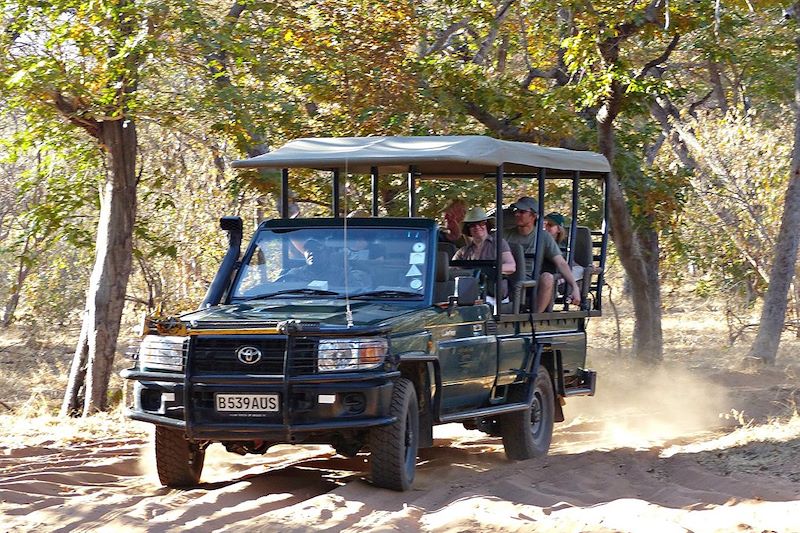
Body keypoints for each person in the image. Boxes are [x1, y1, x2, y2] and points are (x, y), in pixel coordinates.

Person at [503, 197, 580, 312]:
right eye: (516, 211)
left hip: (530, 281)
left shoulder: (543, 237)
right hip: (506, 279)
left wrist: (575, 287)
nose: (517, 214)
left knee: (548, 278)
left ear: (533, 216)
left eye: (522, 212)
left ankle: (536, 318)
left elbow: (561, 263)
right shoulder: (505, 234)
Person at [453, 207, 515, 301]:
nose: (477, 227)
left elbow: (511, 266)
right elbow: (450, 271)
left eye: (481, 223)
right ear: (468, 229)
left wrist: (488, 270)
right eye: (472, 225)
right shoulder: (463, 251)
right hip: (468, 294)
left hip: (494, 295)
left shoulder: (499, 244)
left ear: (487, 225)